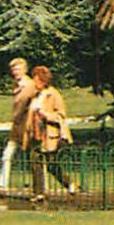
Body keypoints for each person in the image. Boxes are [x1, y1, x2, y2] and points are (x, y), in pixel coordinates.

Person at [27, 65, 75, 202]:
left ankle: (69, 183)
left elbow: (61, 115)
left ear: (43, 80)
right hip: (36, 133)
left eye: (36, 80)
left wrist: (45, 115)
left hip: (50, 134)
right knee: (35, 161)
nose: (34, 83)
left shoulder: (53, 94)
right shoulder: (34, 95)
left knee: (52, 165)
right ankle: (39, 193)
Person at [0, 57, 34, 195]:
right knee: (7, 154)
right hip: (17, 128)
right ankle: (2, 185)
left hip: (28, 127)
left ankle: (40, 187)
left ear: (25, 70)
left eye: (18, 69)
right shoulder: (16, 85)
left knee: (35, 159)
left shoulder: (29, 85)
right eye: (13, 69)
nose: (15, 72)